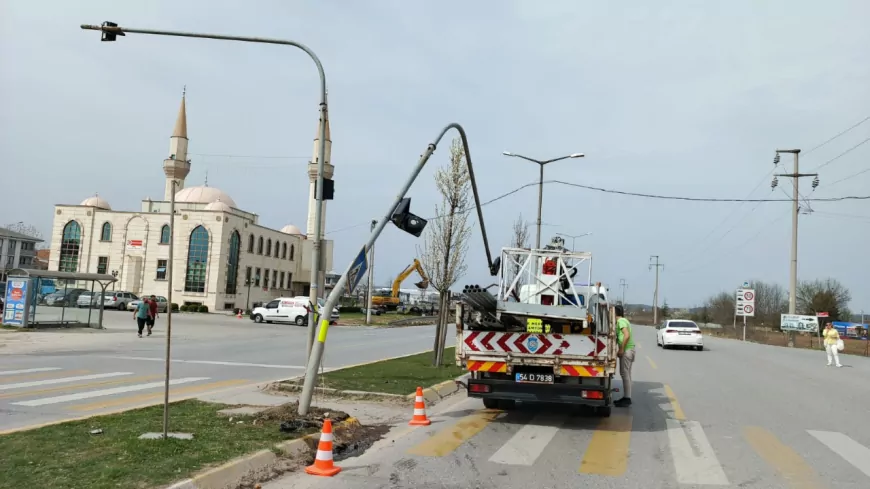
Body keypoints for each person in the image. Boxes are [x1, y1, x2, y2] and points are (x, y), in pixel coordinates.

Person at [614, 304, 635, 407]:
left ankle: (627, 398)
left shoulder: (620, 321)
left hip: (627, 350)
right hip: (630, 350)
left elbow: (626, 335)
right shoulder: (624, 320)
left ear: (614, 313)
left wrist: (621, 349)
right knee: (627, 374)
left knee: (624, 373)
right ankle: (627, 396)